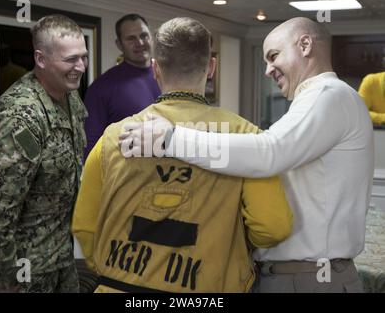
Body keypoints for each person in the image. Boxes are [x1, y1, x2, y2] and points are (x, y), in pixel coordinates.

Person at [121, 17, 374, 293]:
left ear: (305, 45)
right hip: (298, 275)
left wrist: (170, 139)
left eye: (274, 56)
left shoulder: (329, 95)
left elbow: (269, 153)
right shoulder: (320, 100)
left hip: (308, 279)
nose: (267, 70)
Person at [72, 17, 293, 293]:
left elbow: (84, 225)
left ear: (155, 69)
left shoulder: (114, 137)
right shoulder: (246, 137)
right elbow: (273, 227)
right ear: (211, 67)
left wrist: (111, 268)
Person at [0, 14, 89, 293]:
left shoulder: (69, 96)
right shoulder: (20, 115)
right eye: (70, 59)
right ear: (41, 59)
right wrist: (5, 281)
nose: (80, 67)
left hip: (60, 255)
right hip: (25, 267)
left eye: (83, 57)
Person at [83, 13, 160, 159]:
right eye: (131, 38)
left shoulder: (169, 77)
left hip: (172, 174)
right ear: (119, 44)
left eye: (144, 35)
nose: (140, 42)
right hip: (128, 177)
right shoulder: (101, 87)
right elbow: (91, 147)